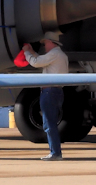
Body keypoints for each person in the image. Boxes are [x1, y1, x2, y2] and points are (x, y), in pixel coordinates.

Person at [23, 31, 68, 161]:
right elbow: (41, 60)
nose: (44, 45)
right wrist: (32, 52)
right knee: (51, 123)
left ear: (51, 42)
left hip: (49, 92)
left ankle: (55, 153)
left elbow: (36, 63)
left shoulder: (54, 54)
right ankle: (55, 152)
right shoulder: (60, 55)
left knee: (49, 123)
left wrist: (26, 52)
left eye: (46, 43)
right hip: (56, 91)